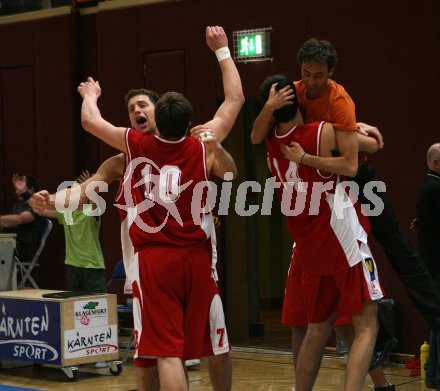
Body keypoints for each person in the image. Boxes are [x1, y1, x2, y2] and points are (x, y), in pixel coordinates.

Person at [33, 25, 243, 391]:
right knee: (149, 355)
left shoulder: (146, 147)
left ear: (160, 112)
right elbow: (84, 193)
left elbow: (89, 121)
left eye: (142, 104)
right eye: (131, 108)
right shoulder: (143, 155)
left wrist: (90, 94)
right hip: (159, 266)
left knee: (188, 349)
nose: (135, 110)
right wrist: (52, 201)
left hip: (164, 262)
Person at [252, 74, 383, 391]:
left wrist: (268, 108)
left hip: (308, 243)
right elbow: (372, 145)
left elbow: (255, 133)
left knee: (317, 327)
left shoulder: (271, 141)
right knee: (367, 323)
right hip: (340, 235)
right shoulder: (320, 133)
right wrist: (354, 129)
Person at [29, 170, 106, 293]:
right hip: (73, 266)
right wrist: (28, 196)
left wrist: (91, 184)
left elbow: (95, 200)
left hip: (92, 267)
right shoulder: (66, 213)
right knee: (75, 306)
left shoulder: (91, 212)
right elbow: (39, 210)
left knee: (97, 306)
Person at [414, 143, 440, 390]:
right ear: (436, 163)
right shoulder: (434, 188)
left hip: (431, 266)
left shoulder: (428, 187)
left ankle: (432, 375)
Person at [0, 174, 45, 262]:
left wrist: (1, 219)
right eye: (16, 189)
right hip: (8, 240)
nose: (16, 192)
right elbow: (7, 223)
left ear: (31, 190)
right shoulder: (18, 205)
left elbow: (19, 219)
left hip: (18, 247)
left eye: (19, 189)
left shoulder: (37, 206)